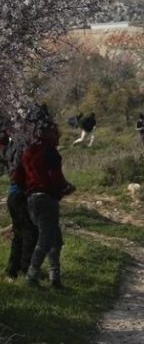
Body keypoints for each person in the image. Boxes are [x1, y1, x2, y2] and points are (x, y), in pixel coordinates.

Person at [23, 122, 75, 288]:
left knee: (55, 240)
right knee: (45, 240)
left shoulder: (29, 150)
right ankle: (31, 277)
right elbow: (56, 178)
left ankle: (55, 279)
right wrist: (67, 188)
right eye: (55, 133)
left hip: (32, 199)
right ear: (48, 135)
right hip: (46, 200)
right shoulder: (50, 152)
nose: (58, 136)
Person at [0, 132, 37, 280]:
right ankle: (22, 269)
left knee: (21, 233)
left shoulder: (13, 148)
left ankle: (15, 269)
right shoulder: (23, 151)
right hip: (20, 196)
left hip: (16, 195)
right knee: (29, 232)